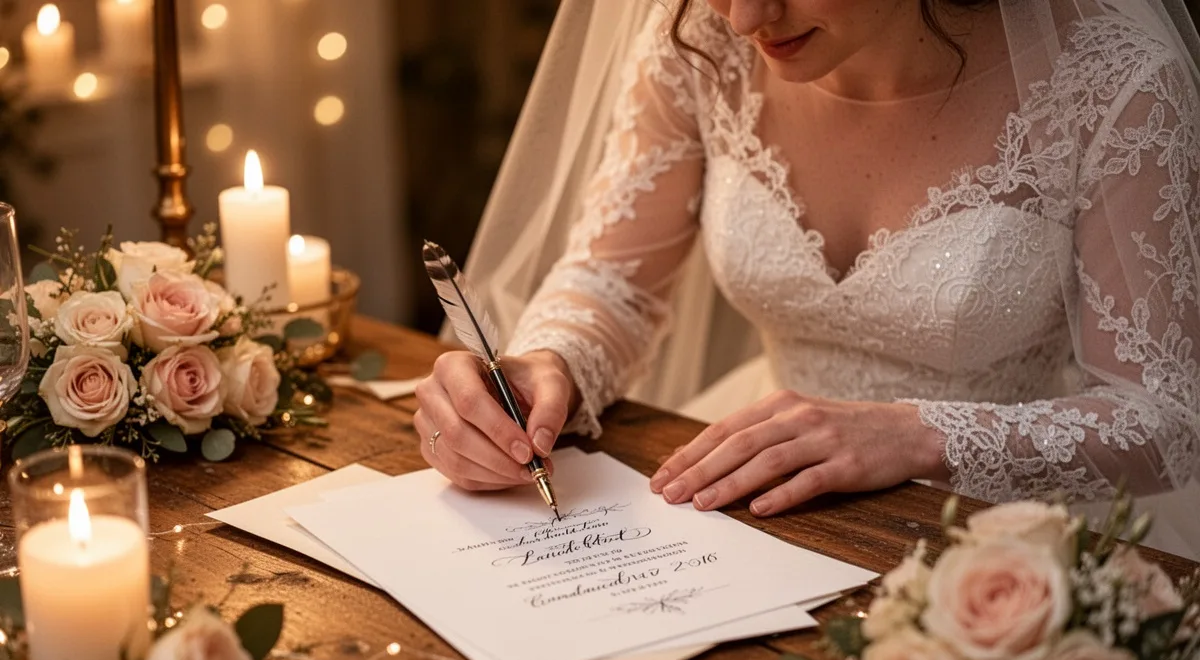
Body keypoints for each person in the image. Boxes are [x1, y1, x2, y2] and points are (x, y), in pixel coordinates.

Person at [414, 0, 1200, 559]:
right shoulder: (699, 42)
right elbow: (611, 282)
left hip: (1015, 542)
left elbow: (1162, 416)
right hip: (763, 515)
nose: (746, 18)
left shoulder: (1114, 83)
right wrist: (547, 364)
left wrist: (915, 435)